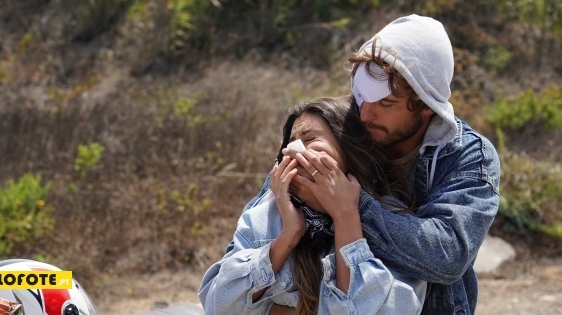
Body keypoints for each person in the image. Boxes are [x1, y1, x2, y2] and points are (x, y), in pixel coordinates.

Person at [278, 15, 501, 314]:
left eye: (385, 104)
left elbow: (447, 256)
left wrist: (349, 205)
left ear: (425, 106)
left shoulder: (468, 156)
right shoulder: (342, 125)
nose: (366, 114)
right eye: (360, 96)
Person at [198, 97, 426, 314]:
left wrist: (345, 216)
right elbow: (218, 306)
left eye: (310, 139)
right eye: (290, 145)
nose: (294, 151)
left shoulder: (394, 219)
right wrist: (289, 235)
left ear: (348, 148)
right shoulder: (269, 214)